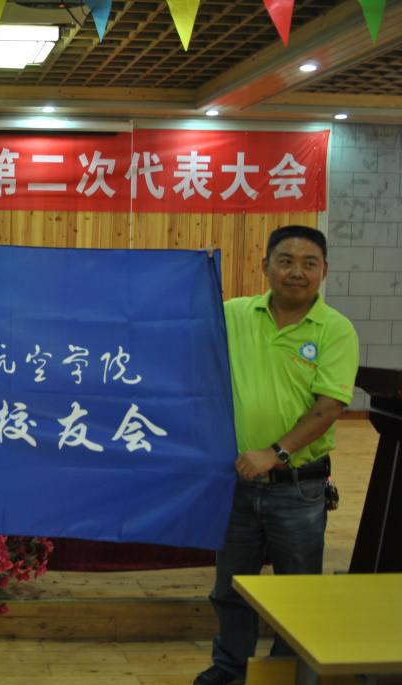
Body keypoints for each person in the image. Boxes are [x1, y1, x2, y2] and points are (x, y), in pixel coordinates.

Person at [195, 225, 359, 685]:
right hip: (237, 482)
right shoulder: (234, 314)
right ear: (265, 265)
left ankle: (287, 673)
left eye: (309, 263)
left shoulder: (335, 330)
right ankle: (230, 669)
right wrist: (190, 277)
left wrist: (276, 453)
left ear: (324, 271)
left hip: (299, 488)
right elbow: (182, 331)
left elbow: (329, 407)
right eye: (285, 261)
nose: (296, 272)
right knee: (230, 588)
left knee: (297, 593)